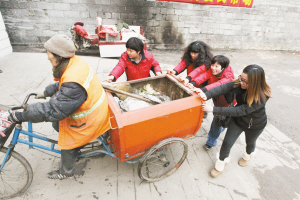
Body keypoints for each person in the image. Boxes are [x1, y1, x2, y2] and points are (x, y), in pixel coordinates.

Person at [0, 34, 111, 179]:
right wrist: (46, 92)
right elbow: (63, 83)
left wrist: (20, 116)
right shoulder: (74, 63)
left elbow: (54, 110)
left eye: (49, 53)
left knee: (66, 142)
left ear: (59, 55)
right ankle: (74, 149)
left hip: (90, 119)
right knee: (57, 125)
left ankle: (66, 171)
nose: (47, 57)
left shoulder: (73, 80)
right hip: (94, 110)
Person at [197, 64, 271, 177]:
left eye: (246, 82)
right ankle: (220, 164)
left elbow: (240, 110)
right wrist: (205, 95)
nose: (241, 82)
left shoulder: (262, 96)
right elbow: (223, 87)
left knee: (250, 143)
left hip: (255, 124)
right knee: (227, 143)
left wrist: (213, 109)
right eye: (241, 78)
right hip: (238, 121)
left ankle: (247, 155)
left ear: (255, 83)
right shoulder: (239, 83)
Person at [192, 55, 235, 150]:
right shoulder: (213, 71)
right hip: (217, 100)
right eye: (212, 65)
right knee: (220, 121)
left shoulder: (228, 78)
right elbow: (204, 76)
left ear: (223, 68)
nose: (213, 68)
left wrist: (204, 90)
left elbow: (217, 85)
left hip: (226, 104)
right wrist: (193, 83)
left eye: (216, 66)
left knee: (216, 122)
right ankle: (223, 126)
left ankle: (211, 142)